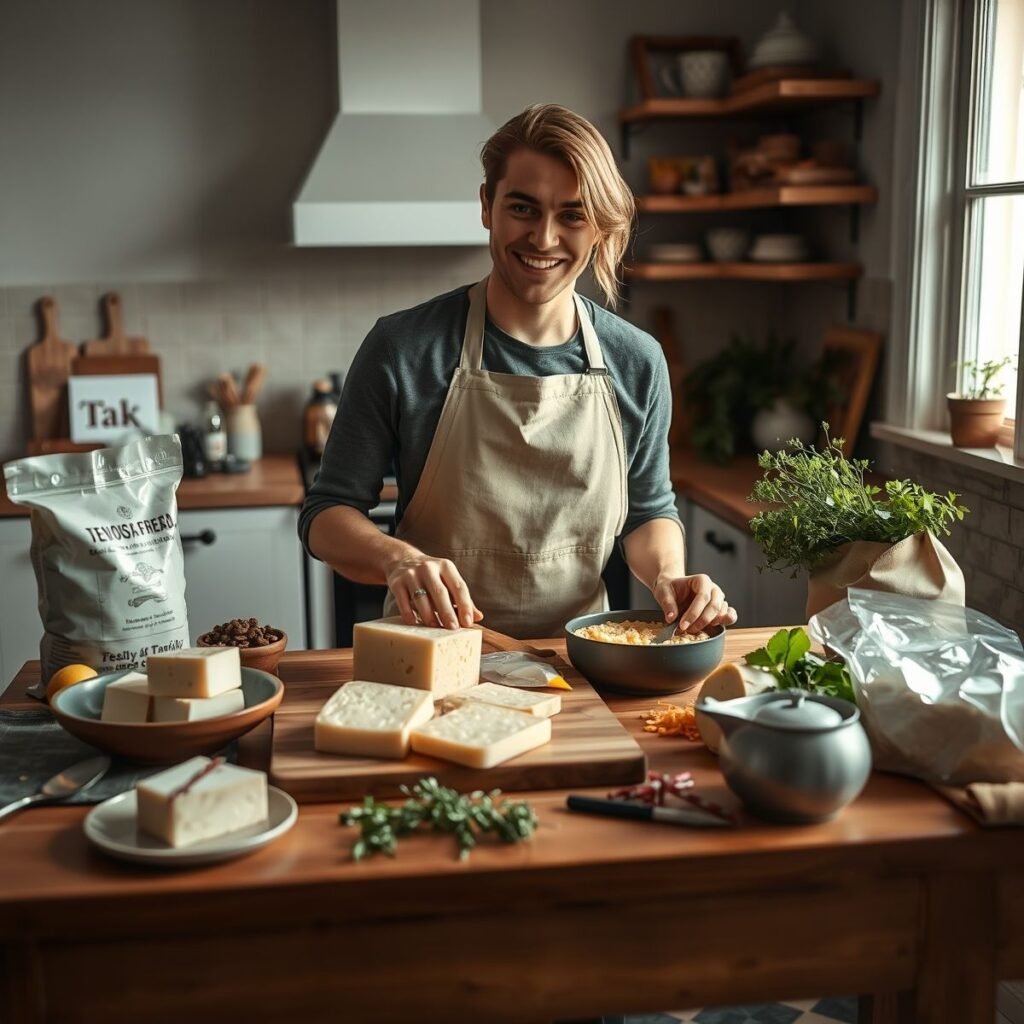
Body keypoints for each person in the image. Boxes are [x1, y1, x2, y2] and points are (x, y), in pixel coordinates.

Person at [301, 103, 737, 640]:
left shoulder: (636, 359)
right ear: (487, 205)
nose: (544, 238)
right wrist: (398, 559)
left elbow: (648, 512)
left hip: (580, 665)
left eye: (572, 215)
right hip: (432, 656)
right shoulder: (403, 348)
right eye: (523, 209)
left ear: (598, 227)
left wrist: (670, 576)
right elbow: (326, 515)